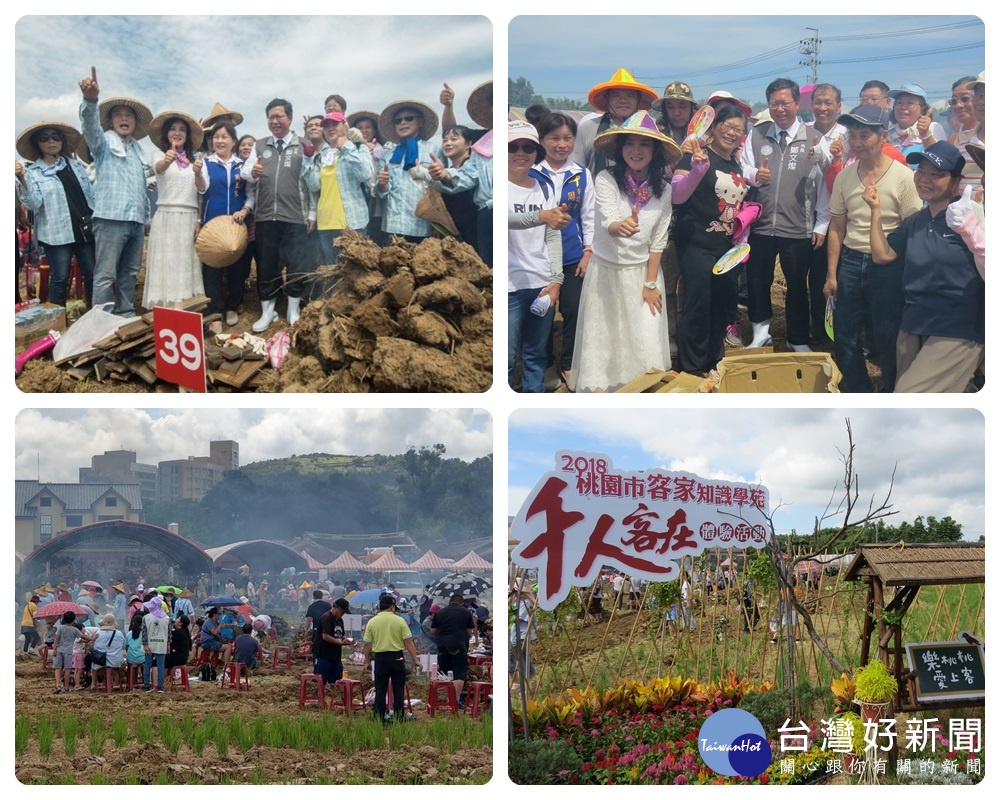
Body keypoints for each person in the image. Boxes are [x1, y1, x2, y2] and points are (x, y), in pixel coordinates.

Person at [570, 111, 680, 391]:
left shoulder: (664, 190)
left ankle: (642, 386)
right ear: (620, 149)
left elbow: (658, 239)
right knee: (608, 335)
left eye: (644, 144)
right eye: (629, 143)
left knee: (644, 334)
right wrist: (621, 226)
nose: (636, 150)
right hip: (607, 271)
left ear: (655, 150)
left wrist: (651, 283)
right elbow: (607, 219)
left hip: (642, 271)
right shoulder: (606, 178)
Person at [864, 141, 984, 392]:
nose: (925, 179)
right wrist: (875, 210)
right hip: (914, 323)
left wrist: (972, 228)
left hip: (956, 326)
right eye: (921, 171)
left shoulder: (969, 215)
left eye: (936, 174)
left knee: (908, 394)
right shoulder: (916, 220)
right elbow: (882, 255)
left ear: (955, 181)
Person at [824, 105, 922, 392]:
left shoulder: (903, 178)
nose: (856, 142)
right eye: (851, 135)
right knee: (845, 335)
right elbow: (837, 228)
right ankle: (860, 391)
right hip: (852, 262)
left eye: (864, 135)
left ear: (884, 136)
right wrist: (832, 273)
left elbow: (912, 228)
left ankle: (891, 390)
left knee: (887, 335)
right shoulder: (844, 176)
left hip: (888, 264)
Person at [740, 77, 827, 352]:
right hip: (761, 224)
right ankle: (761, 332)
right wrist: (755, 175)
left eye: (785, 102)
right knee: (757, 280)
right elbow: (742, 168)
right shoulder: (756, 134)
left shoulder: (814, 138)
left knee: (797, 285)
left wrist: (821, 224)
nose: (780, 109)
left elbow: (824, 184)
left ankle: (797, 338)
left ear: (797, 103)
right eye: (774, 103)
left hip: (798, 226)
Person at [672, 104, 750, 376]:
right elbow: (677, 196)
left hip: (726, 248)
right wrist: (696, 170)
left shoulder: (736, 163)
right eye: (726, 126)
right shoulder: (695, 155)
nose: (731, 133)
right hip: (696, 243)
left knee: (721, 305)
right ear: (714, 128)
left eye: (738, 129)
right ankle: (692, 367)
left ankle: (713, 361)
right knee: (697, 304)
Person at [77, 67, 153, 317]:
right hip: (110, 219)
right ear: (110, 121)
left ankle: (125, 316)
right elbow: (89, 128)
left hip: (135, 221)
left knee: (129, 272)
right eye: (118, 115)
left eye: (128, 115)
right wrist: (90, 101)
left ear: (134, 122)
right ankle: (100, 322)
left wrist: (145, 219)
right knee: (105, 274)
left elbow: (145, 185)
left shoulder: (137, 152)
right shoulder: (103, 143)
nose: (124, 118)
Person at [531, 112, 595, 391]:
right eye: (554, 138)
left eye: (567, 138)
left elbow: (589, 215)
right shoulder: (530, 173)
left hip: (572, 255)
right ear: (541, 140)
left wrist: (589, 251)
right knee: (542, 312)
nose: (561, 144)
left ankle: (569, 362)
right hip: (538, 257)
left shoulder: (581, 173)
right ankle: (545, 363)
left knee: (574, 309)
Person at [240, 98, 315, 330]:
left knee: (297, 263)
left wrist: (312, 212)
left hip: (296, 216)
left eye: (279, 116)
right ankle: (268, 310)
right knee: (267, 265)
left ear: (289, 118)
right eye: (271, 117)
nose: (274, 121)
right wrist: (252, 170)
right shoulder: (260, 145)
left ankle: (293, 309)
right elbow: (245, 173)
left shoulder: (304, 144)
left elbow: (311, 180)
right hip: (265, 217)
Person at [507, 120, 564, 392]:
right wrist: (540, 215)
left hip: (541, 282)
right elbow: (505, 219)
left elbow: (552, 234)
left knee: (536, 355)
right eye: (513, 147)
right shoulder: (499, 186)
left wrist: (556, 279)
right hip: (509, 285)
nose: (521, 153)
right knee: (506, 358)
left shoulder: (544, 189)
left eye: (528, 147)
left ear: (536, 153)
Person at [14, 122, 95, 306]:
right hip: (55, 233)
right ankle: (58, 323)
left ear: (62, 141)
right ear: (37, 144)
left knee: (92, 275)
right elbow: (34, 203)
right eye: (44, 138)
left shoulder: (75, 166)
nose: (51, 141)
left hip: (84, 230)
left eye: (55, 137)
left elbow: (91, 195)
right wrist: (22, 178)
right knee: (60, 278)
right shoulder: (33, 172)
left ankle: (94, 316)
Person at [142, 112, 206, 309]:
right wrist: (167, 160)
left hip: (188, 217)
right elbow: (158, 169)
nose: (177, 133)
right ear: (166, 133)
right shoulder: (159, 155)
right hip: (166, 216)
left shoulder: (195, 160)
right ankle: (164, 307)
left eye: (182, 130)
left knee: (185, 262)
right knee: (166, 261)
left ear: (187, 136)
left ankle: (185, 304)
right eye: (173, 129)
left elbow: (202, 189)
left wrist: (197, 173)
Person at [301, 111, 373, 267]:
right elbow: (314, 185)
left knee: (356, 269)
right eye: (326, 126)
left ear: (345, 126)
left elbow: (366, 174)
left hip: (352, 221)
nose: (330, 128)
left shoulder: (359, 147)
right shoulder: (323, 155)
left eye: (335, 124)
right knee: (333, 270)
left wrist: (347, 146)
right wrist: (307, 161)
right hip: (326, 221)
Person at [200, 121, 254, 329]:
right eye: (216, 137)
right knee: (212, 268)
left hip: (237, 223)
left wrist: (245, 210)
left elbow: (250, 194)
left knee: (237, 266)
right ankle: (214, 313)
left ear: (233, 141)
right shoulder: (206, 163)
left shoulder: (243, 165)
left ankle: (232, 306)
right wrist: (197, 174)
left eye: (224, 137)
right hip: (212, 222)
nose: (220, 141)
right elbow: (202, 189)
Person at [572, 68, 659, 175]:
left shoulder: (652, 127)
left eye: (630, 95)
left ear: (638, 99)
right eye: (616, 95)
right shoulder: (588, 127)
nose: (623, 100)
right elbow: (575, 169)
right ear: (607, 98)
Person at [376, 99, 440, 242]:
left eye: (409, 118)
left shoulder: (434, 150)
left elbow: (440, 188)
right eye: (398, 120)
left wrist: (438, 224)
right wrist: (383, 184)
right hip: (393, 225)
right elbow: (382, 191)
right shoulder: (387, 155)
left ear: (421, 122)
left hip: (423, 225)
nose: (403, 123)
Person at [362, 593, 421, 723]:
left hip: (380, 659)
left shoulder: (372, 622)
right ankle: (399, 717)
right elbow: (409, 642)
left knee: (380, 689)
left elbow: (367, 644)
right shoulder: (399, 621)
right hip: (397, 658)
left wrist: (367, 661)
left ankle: (379, 717)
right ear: (392, 606)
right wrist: (416, 660)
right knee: (398, 689)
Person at [431, 594, 475, 705]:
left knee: (445, 672)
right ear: (462, 603)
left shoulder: (440, 612)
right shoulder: (466, 612)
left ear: (450, 602)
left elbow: (433, 631)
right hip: (459, 645)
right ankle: (455, 700)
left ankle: (447, 697)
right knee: (459, 673)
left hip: (442, 645)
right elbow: (469, 632)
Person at [886, 84, 947, 161]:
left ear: (923, 109)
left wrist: (925, 134)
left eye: (910, 103)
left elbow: (941, 160)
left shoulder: (933, 128)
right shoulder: (888, 133)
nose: (903, 107)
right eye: (899, 102)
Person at [315, 597, 352, 684]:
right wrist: (339, 642)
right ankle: (322, 695)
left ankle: (334, 694)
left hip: (335, 654)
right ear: (336, 608)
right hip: (324, 652)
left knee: (337, 677)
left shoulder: (339, 620)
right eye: (342, 612)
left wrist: (346, 640)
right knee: (322, 677)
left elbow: (341, 634)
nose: (342, 614)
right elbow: (325, 636)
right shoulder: (327, 618)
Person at [52, 611, 90, 694]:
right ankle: (66, 687)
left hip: (59, 650)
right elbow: (84, 637)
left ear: (64, 619)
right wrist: (92, 638)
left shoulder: (60, 628)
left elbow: (56, 638)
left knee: (57, 668)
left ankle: (58, 685)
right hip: (69, 652)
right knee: (67, 669)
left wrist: (54, 648)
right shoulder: (75, 629)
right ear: (74, 620)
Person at [652, 80, 697, 145]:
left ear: (692, 108)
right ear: (664, 109)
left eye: (682, 106)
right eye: (670, 107)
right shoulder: (655, 133)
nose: (676, 113)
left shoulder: (703, 131)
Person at [142, 597, 171, 692]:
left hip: (150, 644)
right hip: (162, 644)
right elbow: (169, 634)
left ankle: (147, 686)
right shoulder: (167, 619)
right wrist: (168, 645)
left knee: (147, 665)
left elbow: (144, 633)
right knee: (161, 665)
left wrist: (145, 645)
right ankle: (160, 687)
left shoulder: (146, 618)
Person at [89, 613, 124, 685]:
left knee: (94, 665)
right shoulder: (119, 633)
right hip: (115, 661)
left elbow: (93, 646)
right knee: (116, 669)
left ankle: (93, 683)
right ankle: (116, 683)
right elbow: (122, 646)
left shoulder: (98, 633)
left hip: (100, 661)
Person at [303, 588, 332, 673]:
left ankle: (316, 664)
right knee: (327, 647)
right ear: (322, 596)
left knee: (316, 648)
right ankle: (327, 664)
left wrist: (306, 630)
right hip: (327, 630)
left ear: (313, 597)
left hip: (317, 630)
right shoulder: (327, 606)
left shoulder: (312, 606)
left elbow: (309, 619)